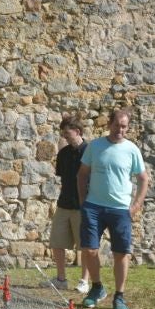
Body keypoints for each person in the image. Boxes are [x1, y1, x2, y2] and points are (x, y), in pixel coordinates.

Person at [77, 107, 149, 309]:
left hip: (120, 209)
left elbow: (143, 179)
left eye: (124, 126)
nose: (120, 130)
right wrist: (83, 201)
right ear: (109, 124)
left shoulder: (132, 150)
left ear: (128, 127)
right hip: (93, 207)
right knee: (90, 249)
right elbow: (82, 174)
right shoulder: (95, 146)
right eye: (117, 125)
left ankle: (119, 296)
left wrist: (136, 205)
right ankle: (97, 288)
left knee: (121, 253)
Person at [49, 115, 90, 293]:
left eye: (67, 133)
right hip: (64, 204)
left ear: (77, 131)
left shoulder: (90, 152)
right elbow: (63, 178)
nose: (64, 136)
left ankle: (84, 281)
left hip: (83, 206)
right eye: (63, 133)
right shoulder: (63, 153)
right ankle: (61, 279)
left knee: (86, 245)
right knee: (57, 242)